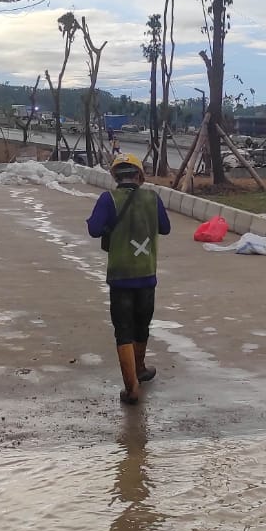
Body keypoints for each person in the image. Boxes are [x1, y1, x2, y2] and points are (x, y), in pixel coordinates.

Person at [86, 153, 171, 405]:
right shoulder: (152, 198)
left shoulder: (107, 199)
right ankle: (141, 366)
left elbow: (93, 229)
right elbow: (165, 228)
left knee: (123, 329)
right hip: (146, 276)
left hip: (120, 278)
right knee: (142, 325)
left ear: (114, 176)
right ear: (139, 175)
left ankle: (131, 386)